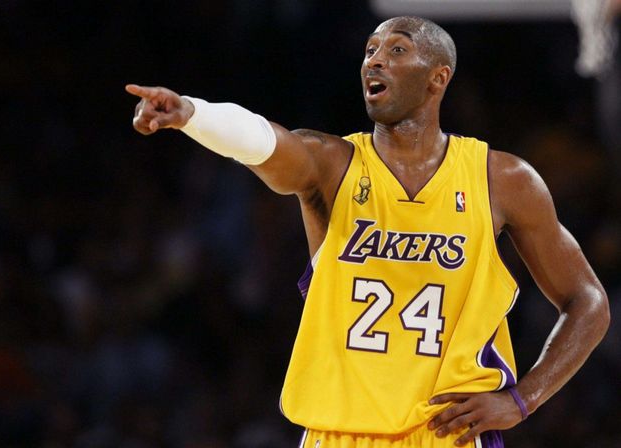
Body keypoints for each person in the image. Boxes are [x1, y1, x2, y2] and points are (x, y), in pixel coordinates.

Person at [126, 16, 609, 448]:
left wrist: (523, 399)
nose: (375, 60)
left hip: (448, 434)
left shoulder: (501, 179)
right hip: (338, 432)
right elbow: (266, 143)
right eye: (370, 50)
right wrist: (194, 114)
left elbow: (588, 301)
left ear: (438, 77)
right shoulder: (331, 165)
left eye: (396, 49)